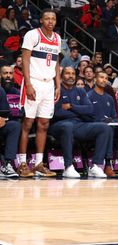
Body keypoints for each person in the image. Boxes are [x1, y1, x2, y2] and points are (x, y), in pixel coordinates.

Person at [17, 9, 62, 178]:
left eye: (53, 19)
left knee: (44, 124)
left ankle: (38, 164)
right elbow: (26, 60)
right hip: (33, 81)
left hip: (48, 85)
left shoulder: (57, 38)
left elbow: (56, 63)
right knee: (28, 123)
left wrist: (58, 85)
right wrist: (28, 84)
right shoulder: (32, 35)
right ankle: (22, 163)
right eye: (47, 18)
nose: (50, 21)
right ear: (41, 20)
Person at [48, 66, 113, 179]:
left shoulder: (80, 90)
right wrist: (79, 111)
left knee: (104, 127)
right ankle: (68, 167)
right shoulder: (56, 90)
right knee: (67, 126)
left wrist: (71, 107)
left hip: (79, 125)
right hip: (58, 125)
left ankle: (96, 166)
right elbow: (56, 113)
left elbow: (89, 109)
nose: (71, 76)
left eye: (73, 73)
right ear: (62, 76)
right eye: (67, 73)